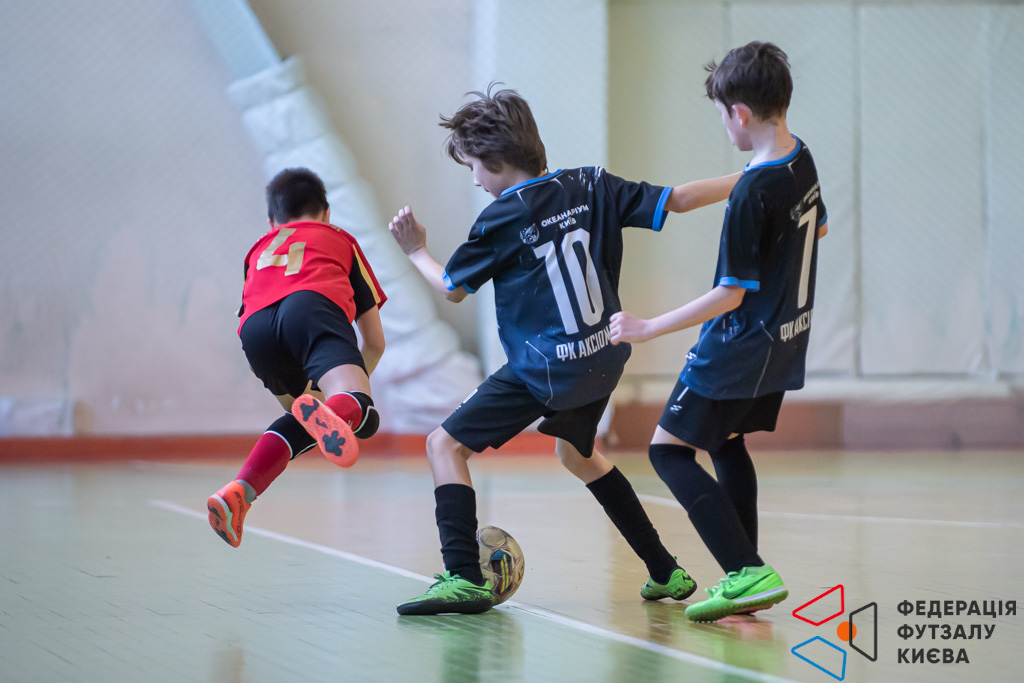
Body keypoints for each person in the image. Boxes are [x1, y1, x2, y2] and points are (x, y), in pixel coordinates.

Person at [387, 84, 740, 615]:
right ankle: (664, 569)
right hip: (602, 357)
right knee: (578, 455)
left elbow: (453, 288)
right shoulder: (592, 183)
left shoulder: (502, 217)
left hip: (547, 368)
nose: (476, 180)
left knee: (444, 445)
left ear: (496, 161)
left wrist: (416, 251)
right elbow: (680, 199)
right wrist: (751, 177)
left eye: (474, 168)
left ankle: (463, 576)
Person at [609, 42, 828, 622]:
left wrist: (648, 327)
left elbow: (730, 294)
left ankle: (745, 570)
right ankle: (746, 576)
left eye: (721, 115)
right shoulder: (800, 158)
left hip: (738, 345)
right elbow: (818, 230)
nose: (723, 125)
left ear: (740, 113)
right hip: (785, 340)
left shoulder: (752, 193)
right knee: (726, 442)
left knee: (667, 451)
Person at [207, 167, 387, 548]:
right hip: (310, 308)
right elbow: (374, 342)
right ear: (326, 214)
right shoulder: (339, 238)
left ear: (271, 222)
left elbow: (246, 309)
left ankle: (239, 492)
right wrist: (355, 389)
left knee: (302, 419)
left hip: (255, 333)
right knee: (355, 402)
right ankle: (348, 407)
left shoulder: (257, 249)